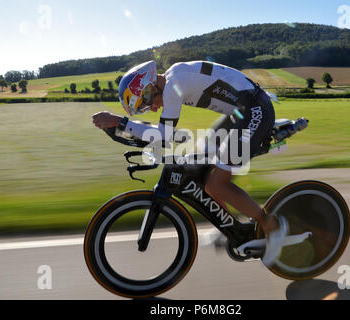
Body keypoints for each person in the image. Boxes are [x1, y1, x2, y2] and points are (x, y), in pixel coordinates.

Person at [92, 60, 288, 266]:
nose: (152, 108)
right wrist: (125, 128)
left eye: (147, 103)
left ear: (150, 87)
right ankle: (231, 226)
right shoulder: (171, 80)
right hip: (239, 113)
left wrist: (120, 122)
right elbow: (169, 135)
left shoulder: (173, 86)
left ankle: (273, 226)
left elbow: (164, 135)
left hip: (254, 111)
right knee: (199, 168)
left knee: (216, 184)